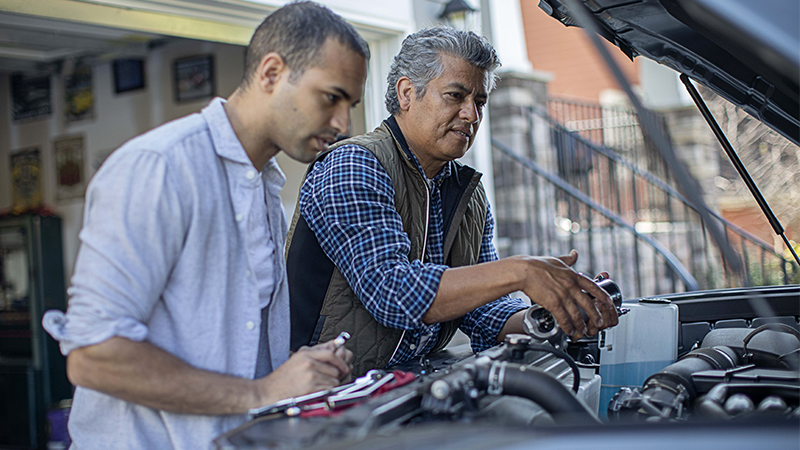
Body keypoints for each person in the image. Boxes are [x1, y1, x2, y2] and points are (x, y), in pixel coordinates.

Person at [41, 2, 369, 449]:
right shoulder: (158, 168)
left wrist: (292, 371)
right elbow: (93, 358)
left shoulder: (264, 186)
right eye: (331, 97)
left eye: (349, 104)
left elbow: (221, 349)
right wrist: (264, 391)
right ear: (271, 73)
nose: (342, 123)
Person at [286, 26, 619, 377]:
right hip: (323, 399)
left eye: (479, 102)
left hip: (407, 392)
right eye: (455, 96)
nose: (471, 115)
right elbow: (392, 292)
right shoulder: (354, 164)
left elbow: (484, 313)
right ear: (406, 93)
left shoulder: (469, 193)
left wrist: (554, 315)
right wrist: (521, 271)